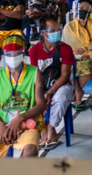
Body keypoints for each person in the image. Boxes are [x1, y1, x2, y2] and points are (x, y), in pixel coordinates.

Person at [28, 16, 75, 150]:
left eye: (58, 29)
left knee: (62, 97)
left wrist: (50, 92)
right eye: (52, 30)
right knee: (32, 97)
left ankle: (51, 127)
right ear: (43, 33)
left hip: (60, 84)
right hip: (41, 84)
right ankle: (42, 129)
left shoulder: (66, 49)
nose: (56, 33)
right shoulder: (34, 50)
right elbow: (35, 75)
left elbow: (65, 75)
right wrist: (41, 92)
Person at [62, 0, 92, 110]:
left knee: (87, 66)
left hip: (91, 55)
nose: (83, 10)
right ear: (77, 9)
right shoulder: (69, 26)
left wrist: (85, 50)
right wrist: (78, 55)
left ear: (90, 11)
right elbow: (67, 45)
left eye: (86, 8)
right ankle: (78, 93)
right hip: (73, 56)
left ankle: (76, 94)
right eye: (81, 7)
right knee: (68, 68)